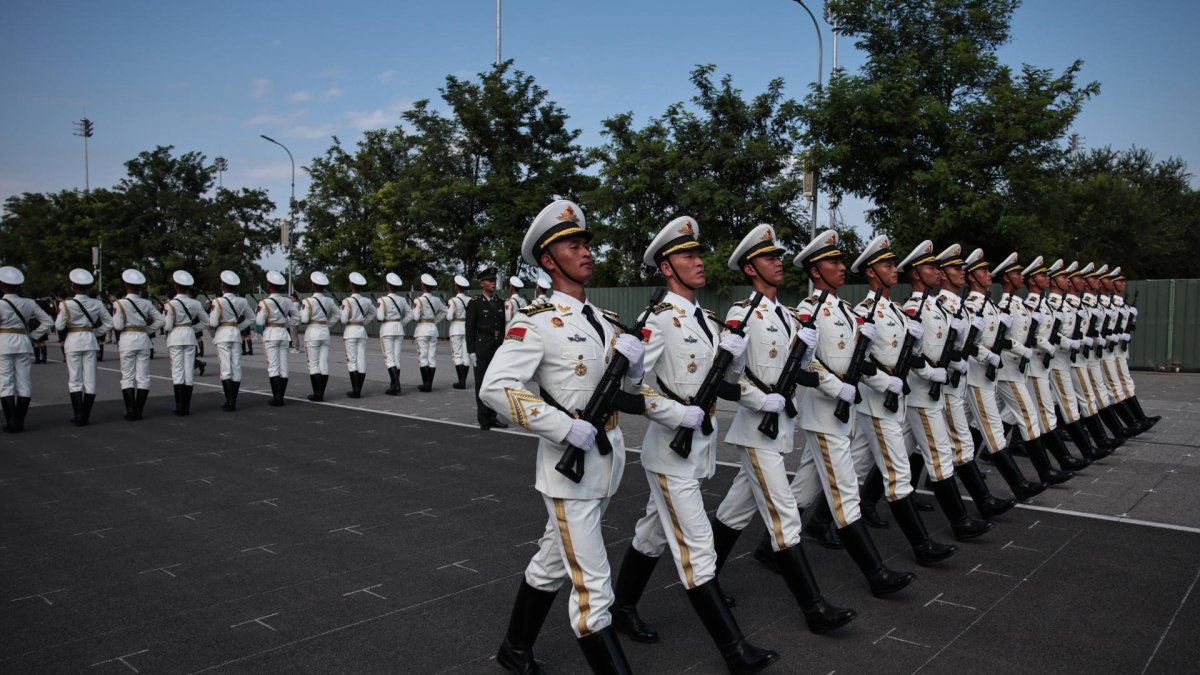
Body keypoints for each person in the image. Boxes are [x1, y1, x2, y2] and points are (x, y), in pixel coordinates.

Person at [482, 199, 645, 673]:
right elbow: (496, 388)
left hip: (606, 461)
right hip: (567, 472)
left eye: (585, 243)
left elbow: (626, 389)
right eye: (573, 245)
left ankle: (514, 650)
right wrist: (560, 426)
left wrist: (635, 365)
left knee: (553, 561)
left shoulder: (606, 321)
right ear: (549, 261)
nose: (585, 251)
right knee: (594, 587)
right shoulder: (535, 321)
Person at [611, 216, 779, 672]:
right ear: (667, 267)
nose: (699, 261)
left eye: (699, 253)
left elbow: (720, 382)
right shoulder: (658, 321)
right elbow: (630, 387)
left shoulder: (705, 319)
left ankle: (621, 606)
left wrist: (736, 366)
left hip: (697, 448)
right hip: (669, 452)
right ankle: (735, 651)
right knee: (698, 548)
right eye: (688, 255)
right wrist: (671, 411)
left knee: (651, 532)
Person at [710, 224, 857, 633]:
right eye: (769, 258)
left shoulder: (788, 315)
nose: (778, 262)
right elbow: (725, 376)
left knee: (734, 511)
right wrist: (761, 399)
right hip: (756, 429)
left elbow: (801, 370)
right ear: (750, 269)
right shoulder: (742, 314)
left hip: (778, 429)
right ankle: (814, 609)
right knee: (784, 516)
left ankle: (706, 579)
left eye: (778, 256)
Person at [844, 236, 959, 563]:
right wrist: (887, 382)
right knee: (897, 474)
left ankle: (820, 520)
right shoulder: (864, 312)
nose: (894, 269)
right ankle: (922, 546)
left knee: (853, 468)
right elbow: (858, 362)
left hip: (897, 402)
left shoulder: (895, 310)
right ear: (870, 272)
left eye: (894, 264)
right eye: (886, 265)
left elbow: (905, 355)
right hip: (877, 402)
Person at [897, 241, 993, 541]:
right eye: (931, 267)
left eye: (940, 267)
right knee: (939, 455)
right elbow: (909, 354)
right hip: (922, 393)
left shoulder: (936, 307)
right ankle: (960, 521)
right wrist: (932, 371)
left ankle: (832, 515)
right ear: (916, 274)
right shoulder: (914, 309)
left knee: (898, 454)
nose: (938, 272)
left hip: (937, 390)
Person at [935, 244, 1015, 519]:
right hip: (944, 385)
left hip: (961, 382)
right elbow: (938, 350)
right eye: (956, 268)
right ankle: (984, 501)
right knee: (960, 442)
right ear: (943, 274)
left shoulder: (962, 306)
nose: (962, 272)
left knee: (944, 445)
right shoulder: (943, 307)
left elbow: (972, 342)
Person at [994, 253, 1073, 486]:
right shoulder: (1005, 306)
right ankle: (1046, 470)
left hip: (1022, 370)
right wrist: (1023, 349)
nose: (1021, 276)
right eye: (1017, 273)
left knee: (998, 419)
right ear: (1008, 278)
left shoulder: (1020, 305)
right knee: (1029, 416)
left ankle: (1052, 464)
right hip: (1009, 369)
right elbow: (998, 340)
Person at [1022, 257, 1090, 472]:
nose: (1049, 279)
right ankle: (1063, 459)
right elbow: (1032, 336)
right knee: (1044, 413)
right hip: (1034, 364)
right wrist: (1054, 344)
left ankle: (1065, 458)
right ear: (1032, 280)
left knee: (1027, 413)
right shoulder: (1033, 305)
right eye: (1043, 275)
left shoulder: (1046, 305)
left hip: (1046, 364)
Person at [55, 268, 113, 426]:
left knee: (75, 379)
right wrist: (96, 332)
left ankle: (78, 414)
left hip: (73, 340)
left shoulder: (66, 304)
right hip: (90, 340)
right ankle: (85, 415)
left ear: (73, 286)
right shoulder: (97, 303)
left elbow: (59, 326)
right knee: (90, 379)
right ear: (88, 287)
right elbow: (109, 322)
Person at [0, 266, 53, 432]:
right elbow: (49, 321)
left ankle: (11, 421)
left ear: (2, 285)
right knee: (24, 383)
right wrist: (33, 335)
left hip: (4, 343)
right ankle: (20, 421)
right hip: (23, 342)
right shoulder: (29, 303)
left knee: (6, 384)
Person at [112, 269, 164, 421]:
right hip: (143, 339)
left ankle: (130, 410)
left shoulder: (119, 303)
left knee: (127, 376)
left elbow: (118, 326)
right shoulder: (146, 303)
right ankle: (139, 410)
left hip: (127, 339)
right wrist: (147, 330)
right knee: (143, 376)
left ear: (125, 285)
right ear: (140, 287)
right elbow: (161, 320)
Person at [465, 267, 508, 430]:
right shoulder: (475, 302)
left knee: (495, 383)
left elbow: (502, 327)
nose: (493, 283)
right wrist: (471, 351)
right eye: (490, 281)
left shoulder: (499, 302)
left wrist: (504, 346)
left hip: (497, 346)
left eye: (494, 280)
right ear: (482, 283)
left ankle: (493, 416)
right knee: (482, 384)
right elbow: (469, 328)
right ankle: (484, 418)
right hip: (482, 347)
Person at [163, 270, 209, 416]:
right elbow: (207, 321)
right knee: (189, 371)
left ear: (176, 286)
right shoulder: (195, 303)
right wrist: (192, 328)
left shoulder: (170, 304)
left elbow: (168, 326)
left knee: (178, 371)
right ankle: (186, 406)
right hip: (190, 337)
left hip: (176, 337)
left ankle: (179, 405)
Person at [210, 270, 254, 411]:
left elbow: (213, 322)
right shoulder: (242, 301)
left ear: (223, 285)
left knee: (226, 369)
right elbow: (252, 318)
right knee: (236, 367)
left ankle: (229, 401)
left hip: (223, 334)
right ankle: (233, 400)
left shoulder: (218, 301)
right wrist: (238, 327)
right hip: (235, 334)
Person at [256, 271, 299, 406]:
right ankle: (281, 396)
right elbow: (298, 317)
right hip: (283, 334)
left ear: (269, 285)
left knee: (273, 366)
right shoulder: (287, 301)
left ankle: (277, 397)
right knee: (284, 366)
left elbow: (260, 322)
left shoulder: (264, 302)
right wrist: (286, 323)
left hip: (271, 334)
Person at [299, 271, 340, 402]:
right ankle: (321, 392)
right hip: (325, 331)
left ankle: (317, 393)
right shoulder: (329, 300)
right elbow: (338, 314)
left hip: (313, 331)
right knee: (324, 363)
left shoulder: (308, 301)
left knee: (313, 364)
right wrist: (328, 324)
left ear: (313, 285)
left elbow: (304, 320)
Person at [377, 272, 414, 396]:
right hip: (398, 329)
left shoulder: (382, 300)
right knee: (396, 357)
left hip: (387, 329)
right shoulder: (402, 299)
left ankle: (396, 385)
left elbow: (380, 317)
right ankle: (393, 385)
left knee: (389, 358)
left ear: (388, 285)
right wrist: (400, 323)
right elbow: (410, 315)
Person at [341, 272, 375, 399]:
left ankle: (355, 390)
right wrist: (363, 322)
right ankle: (358, 389)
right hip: (361, 330)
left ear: (351, 285)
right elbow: (373, 313)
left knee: (352, 360)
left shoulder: (347, 301)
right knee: (362, 360)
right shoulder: (367, 301)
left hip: (350, 330)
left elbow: (344, 320)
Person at [412, 273, 447, 392]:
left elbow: (416, 318)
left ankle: (425, 384)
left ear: (423, 286)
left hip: (422, 329)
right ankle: (429, 384)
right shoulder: (436, 300)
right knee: (432, 357)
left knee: (423, 357)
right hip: (433, 329)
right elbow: (445, 311)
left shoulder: (418, 300)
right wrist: (434, 320)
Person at [447, 274, 472, 389]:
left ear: (456, 286)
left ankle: (460, 381)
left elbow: (449, 317)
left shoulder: (453, 300)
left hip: (456, 328)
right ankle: (463, 380)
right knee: (466, 355)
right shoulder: (470, 300)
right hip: (467, 328)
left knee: (457, 354)